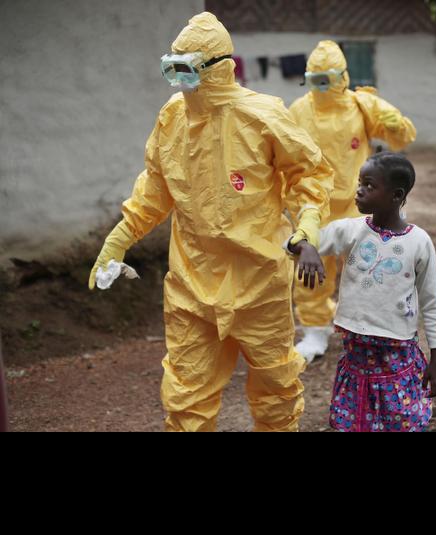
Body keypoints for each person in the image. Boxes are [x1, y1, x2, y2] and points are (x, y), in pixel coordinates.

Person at [88, 11, 333, 432]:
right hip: (192, 284)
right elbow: (155, 187)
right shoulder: (172, 117)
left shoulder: (263, 115)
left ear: (217, 69)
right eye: (172, 68)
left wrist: (306, 228)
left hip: (258, 279)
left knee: (275, 386)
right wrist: (120, 237)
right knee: (186, 393)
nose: (179, 80)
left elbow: (308, 174)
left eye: (186, 70)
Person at [287, 153, 436, 432]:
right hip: (356, 351)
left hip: (396, 350)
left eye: (369, 185)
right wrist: (306, 247)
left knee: (400, 418)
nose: (359, 190)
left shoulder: (419, 242)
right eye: (360, 182)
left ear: (396, 195)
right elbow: (298, 243)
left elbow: (432, 303)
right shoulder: (351, 231)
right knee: (355, 419)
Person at [288, 40, 418, 363]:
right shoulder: (298, 111)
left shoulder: (361, 105)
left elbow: (402, 137)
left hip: (357, 204)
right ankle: (315, 330)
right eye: (315, 79)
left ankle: (369, 327)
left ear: (342, 77)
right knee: (311, 270)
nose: (321, 87)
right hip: (314, 207)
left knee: (366, 268)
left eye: (327, 79)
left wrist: (393, 124)